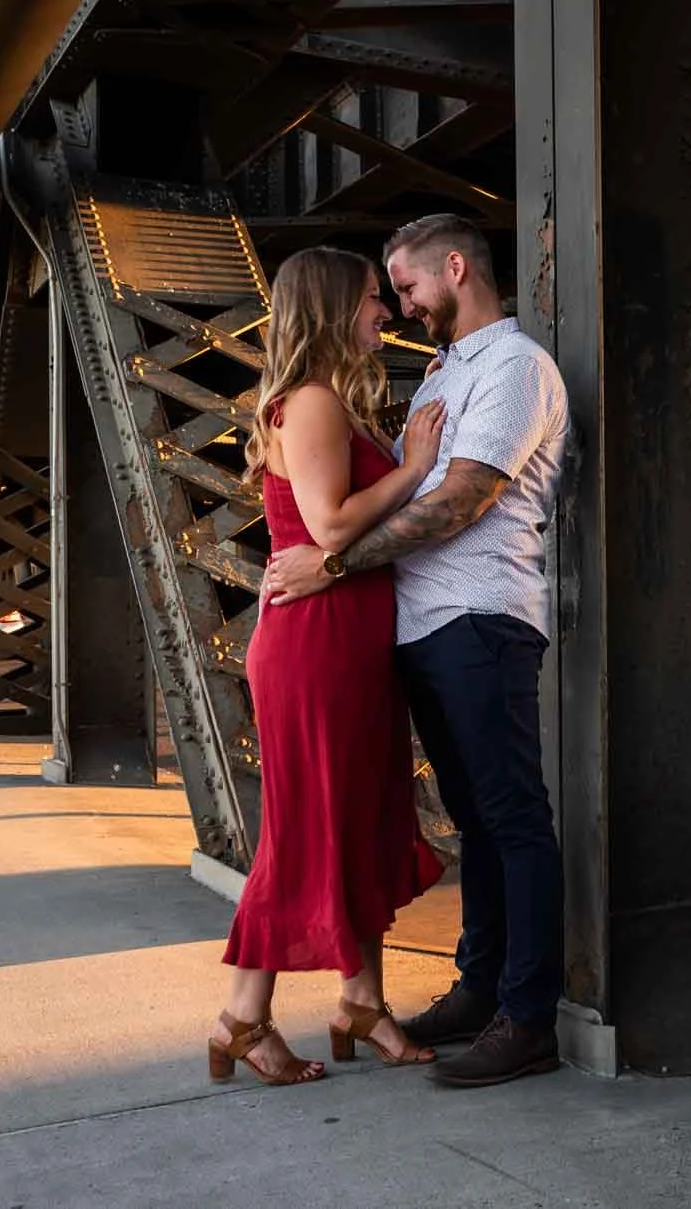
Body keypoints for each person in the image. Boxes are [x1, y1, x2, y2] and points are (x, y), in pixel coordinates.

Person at [261, 213, 571, 1089]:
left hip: (480, 619)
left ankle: (528, 1018)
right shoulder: (447, 371)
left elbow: (462, 498)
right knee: (476, 821)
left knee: (514, 818)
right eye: (388, 295)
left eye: (407, 287)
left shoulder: (514, 368)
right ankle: (480, 989)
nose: (401, 308)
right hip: (424, 629)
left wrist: (334, 562)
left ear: (456, 268)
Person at [210, 246, 449, 1086]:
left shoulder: (334, 400)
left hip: (348, 644)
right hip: (316, 647)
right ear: (333, 306)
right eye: (374, 297)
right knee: (309, 829)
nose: (387, 310)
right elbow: (332, 526)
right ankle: (242, 1018)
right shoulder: (311, 401)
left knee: (360, 819)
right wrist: (415, 468)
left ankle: (362, 1001)